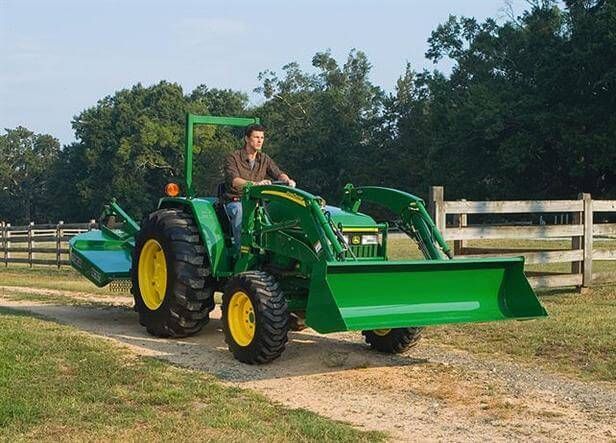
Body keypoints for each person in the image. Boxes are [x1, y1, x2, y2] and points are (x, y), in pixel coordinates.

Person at [223, 124, 296, 250]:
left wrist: (287, 180)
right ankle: (243, 251)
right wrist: (256, 184)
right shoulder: (233, 158)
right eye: (256, 137)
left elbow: (278, 173)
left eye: (262, 138)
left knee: (281, 211)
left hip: (260, 202)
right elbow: (235, 181)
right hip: (237, 201)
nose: (260, 141)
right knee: (241, 213)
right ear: (247, 139)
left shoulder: (264, 158)